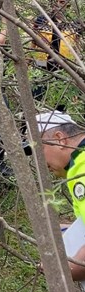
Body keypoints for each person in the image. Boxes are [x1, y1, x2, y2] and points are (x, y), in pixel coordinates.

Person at [35, 110, 85, 280]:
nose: (39, 160)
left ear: (60, 139)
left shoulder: (82, 168)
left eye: (40, 148)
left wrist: (62, 271)